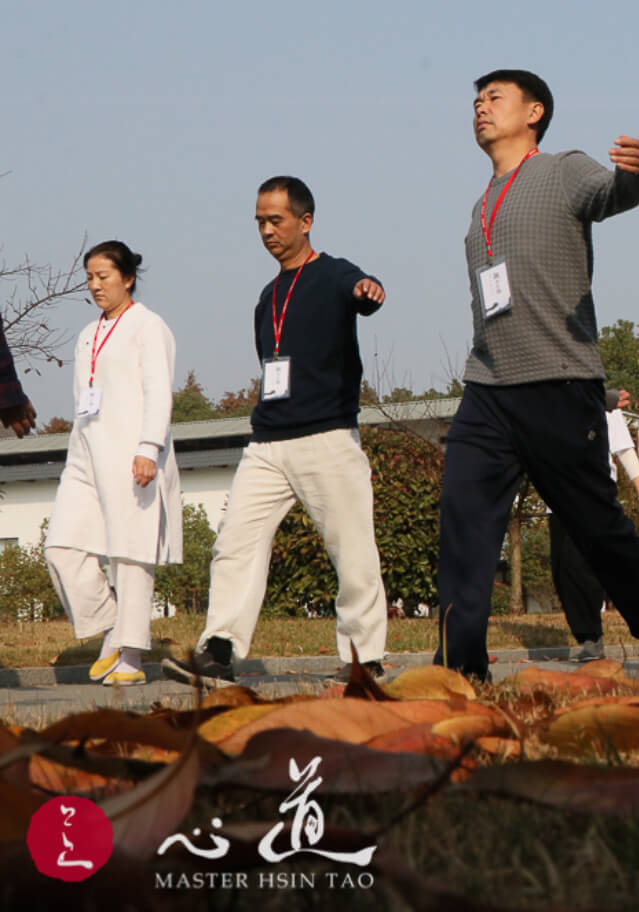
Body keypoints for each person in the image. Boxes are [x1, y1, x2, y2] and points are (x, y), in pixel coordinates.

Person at [437, 69, 639, 678]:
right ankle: (459, 667)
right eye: (476, 100)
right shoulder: (481, 205)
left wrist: (638, 172)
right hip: (488, 388)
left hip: (559, 382)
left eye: (494, 98)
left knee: (594, 527)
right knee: (464, 522)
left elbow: (614, 195)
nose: (480, 107)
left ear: (534, 112)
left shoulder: (564, 169)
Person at [163, 176, 389, 686]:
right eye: (259, 221)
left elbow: (364, 291)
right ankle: (219, 651)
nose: (266, 230)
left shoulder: (335, 274)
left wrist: (367, 291)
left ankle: (364, 660)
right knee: (235, 544)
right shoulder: (267, 296)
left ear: (305, 222)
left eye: (276, 220)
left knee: (352, 552)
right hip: (266, 443)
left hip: (327, 438)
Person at [45, 241, 181, 686]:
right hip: (85, 452)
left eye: (104, 276)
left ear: (128, 278)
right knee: (61, 548)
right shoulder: (87, 333)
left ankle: (132, 657)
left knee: (130, 555)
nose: (96, 285)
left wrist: (148, 447)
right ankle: (114, 624)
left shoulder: (148, 326)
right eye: (90, 277)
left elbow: (160, 391)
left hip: (132, 454)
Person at [552, 392, 639, 662]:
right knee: (562, 571)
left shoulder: (602, 402)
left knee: (585, 566)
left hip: (593, 496)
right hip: (556, 499)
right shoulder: (546, 405)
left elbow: (625, 451)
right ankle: (588, 638)